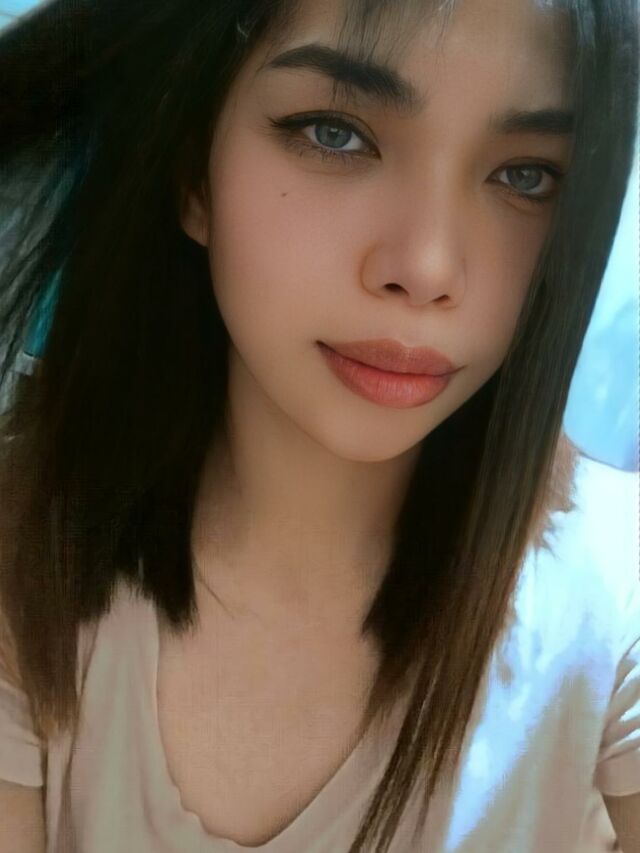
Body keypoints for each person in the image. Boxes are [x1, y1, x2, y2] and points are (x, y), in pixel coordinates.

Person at [0, 0, 638, 850]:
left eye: (526, 176)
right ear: (193, 171)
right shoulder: (23, 546)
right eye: (335, 133)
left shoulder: (615, 595)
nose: (427, 267)